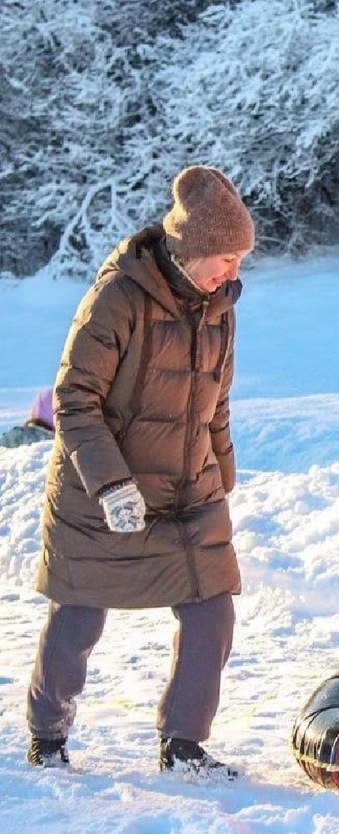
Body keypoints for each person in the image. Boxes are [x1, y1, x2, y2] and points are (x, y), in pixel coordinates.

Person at [26, 165, 255, 777]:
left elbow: (216, 399)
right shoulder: (117, 297)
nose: (233, 272)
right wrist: (110, 483)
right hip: (101, 489)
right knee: (78, 614)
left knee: (213, 609)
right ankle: (47, 732)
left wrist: (222, 473)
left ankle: (183, 745)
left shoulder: (220, 309)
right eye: (225, 259)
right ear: (191, 250)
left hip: (188, 489)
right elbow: (74, 399)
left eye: (239, 260)